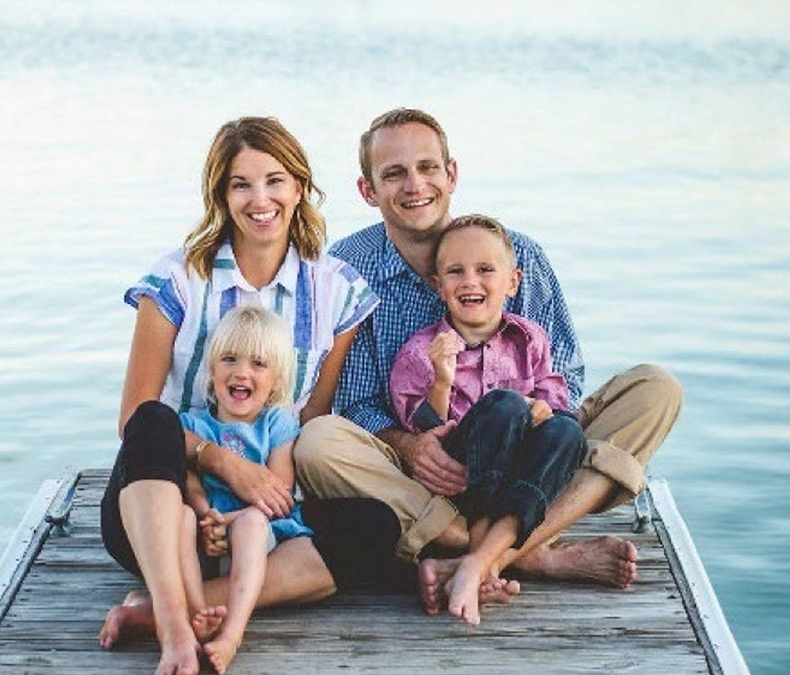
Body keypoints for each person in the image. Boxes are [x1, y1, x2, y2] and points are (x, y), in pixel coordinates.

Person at [295, 107, 683, 618]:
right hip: (427, 471)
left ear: (451, 174)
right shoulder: (347, 269)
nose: (415, 185)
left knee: (655, 389)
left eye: (428, 167)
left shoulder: (519, 255)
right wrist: (411, 446)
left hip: (532, 450)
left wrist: (540, 415)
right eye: (394, 173)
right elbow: (354, 403)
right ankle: (522, 552)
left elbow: (564, 373)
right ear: (368, 190)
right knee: (318, 442)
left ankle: (480, 558)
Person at [98, 116, 387, 675]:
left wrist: (267, 492)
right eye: (241, 184)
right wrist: (222, 463)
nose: (260, 200)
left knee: (375, 528)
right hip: (172, 510)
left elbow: (311, 416)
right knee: (153, 420)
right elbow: (132, 419)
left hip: (262, 518)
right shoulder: (178, 278)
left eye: (275, 180)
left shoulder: (337, 288)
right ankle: (176, 631)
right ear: (221, 195)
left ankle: (166, 609)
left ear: (299, 187)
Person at [387, 214, 587, 623]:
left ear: (512, 282)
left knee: (567, 430)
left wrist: (542, 408)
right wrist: (442, 381)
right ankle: (489, 556)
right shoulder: (422, 351)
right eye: (455, 272)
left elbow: (553, 392)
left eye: (484, 270)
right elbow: (421, 431)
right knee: (504, 406)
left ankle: (475, 564)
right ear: (438, 286)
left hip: (517, 477)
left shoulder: (530, 338)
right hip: (460, 482)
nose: (470, 281)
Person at [177, 305, 311, 672]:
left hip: (256, 531)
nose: (241, 372)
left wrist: (231, 520)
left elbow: (279, 495)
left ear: (276, 381)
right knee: (181, 517)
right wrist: (206, 516)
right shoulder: (192, 426)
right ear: (212, 370)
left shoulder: (277, 424)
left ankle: (232, 634)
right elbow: (190, 483)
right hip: (208, 532)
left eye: (258, 364)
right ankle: (194, 612)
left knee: (251, 523)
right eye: (230, 359)